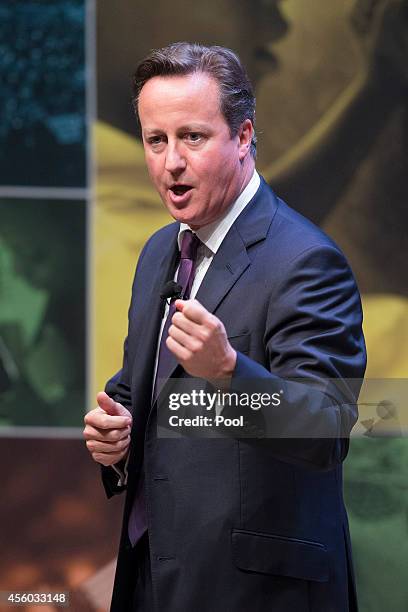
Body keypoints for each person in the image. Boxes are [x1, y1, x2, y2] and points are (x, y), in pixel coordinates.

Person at [83, 43, 366, 612]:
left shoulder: (306, 259)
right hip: (152, 575)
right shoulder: (161, 250)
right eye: (155, 140)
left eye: (192, 137)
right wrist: (119, 433)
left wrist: (230, 373)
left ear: (242, 137)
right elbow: (146, 392)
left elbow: (326, 429)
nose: (171, 163)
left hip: (254, 590)